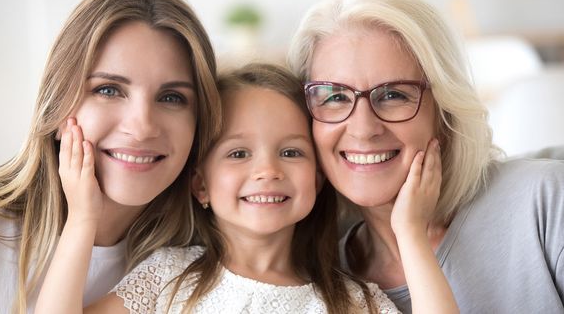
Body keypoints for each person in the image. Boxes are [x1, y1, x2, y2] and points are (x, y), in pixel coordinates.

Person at [34, 63, 458, 313]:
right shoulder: (169, 279)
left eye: (291, 153)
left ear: (320, 177)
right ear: (200, 184)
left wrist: (411, 235)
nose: (267, 171)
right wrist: (82, 219)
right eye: (238, 154)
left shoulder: (352, 301)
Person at [287, 0, 564, 313]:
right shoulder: (320, 286)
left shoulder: (545, 201)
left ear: (445, 111)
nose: (363, 129)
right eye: (335, 97)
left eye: (393, 95)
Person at [0, 0, 221, 313]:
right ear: (56, 107)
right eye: (109, 90)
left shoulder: (196, 269)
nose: (142, 128)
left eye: (171, 97)